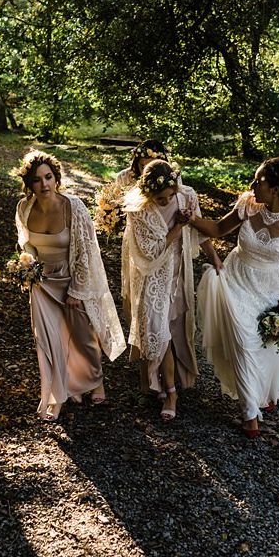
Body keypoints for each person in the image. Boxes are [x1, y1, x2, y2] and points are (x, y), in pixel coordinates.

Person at [189, 158, 279, 437]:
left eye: (258, 181)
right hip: (235, 278)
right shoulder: (248, 205)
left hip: (269, 286)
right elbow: (219, 230)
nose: (252, 185)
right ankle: (250, 415)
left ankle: (264, 395)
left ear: (274, 188)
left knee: (267, 344)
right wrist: (191, 219)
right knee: (244, 341)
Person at [15, 151, 126, 421]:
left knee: (83, 337)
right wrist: (26, 263)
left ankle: (95, 379)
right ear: (29, 184)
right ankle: (56, 396)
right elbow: (25, 242)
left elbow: (87, 251)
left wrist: (77, 289)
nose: (44, 185)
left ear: (56, 178)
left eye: (48, 178)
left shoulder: (73, 206)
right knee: (48, 340)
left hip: (72, 279)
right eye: (37, 180)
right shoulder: (23, 208)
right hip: (42, 283)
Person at [121, 159, 223, 421]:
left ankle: (170, 390)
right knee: (157, 332)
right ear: (148, 194)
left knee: (171, 330)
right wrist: (178, 226)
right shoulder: (138, 210)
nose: (167, 201)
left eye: (170, 195)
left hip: (178, 274)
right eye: (161, 198)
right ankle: (163, 387)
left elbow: (201, 232)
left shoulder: (186, 196)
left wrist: (215, 258)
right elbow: (150, 253)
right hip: (152, 277)